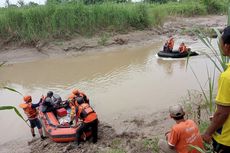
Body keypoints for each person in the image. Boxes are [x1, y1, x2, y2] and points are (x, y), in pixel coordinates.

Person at [202, 26, 230, 153]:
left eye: (220, 42)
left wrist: (208, 133)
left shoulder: (226, 77)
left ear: (227, 47)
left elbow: (223, 113)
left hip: (226, 139)